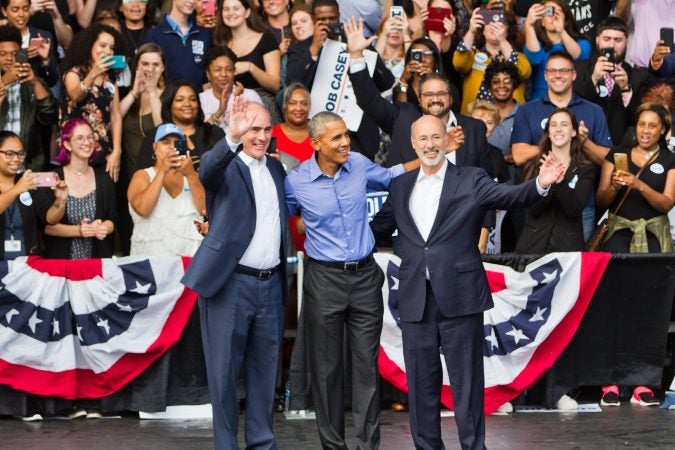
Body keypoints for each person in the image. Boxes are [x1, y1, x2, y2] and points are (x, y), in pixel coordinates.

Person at [370, 113, 564, 450]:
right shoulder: (400, 186)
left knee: (467, 382)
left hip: (460, 296)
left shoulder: (471, 177)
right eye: (423, 139)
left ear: (446, 140)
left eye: (436, 137)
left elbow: (509, 197)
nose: (430, 145)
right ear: (413, 145)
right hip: (417, 297)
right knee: (421, 384)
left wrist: (540, 184)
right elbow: (376, 230)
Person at [285, 111, 419, 449]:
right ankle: (333, 446)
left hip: (364, 277)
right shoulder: (296, 181)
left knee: (365, 370)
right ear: (315, 143)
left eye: (345, 134)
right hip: (323, 280)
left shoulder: (358, 163)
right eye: (336, 138)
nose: (345, 142)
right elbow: (271, 213)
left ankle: (367, 446)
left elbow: (390, 176)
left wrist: (432, 156)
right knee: (327, 371)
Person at [181, 98, 288, 450]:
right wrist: (231, 135)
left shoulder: (275, 169)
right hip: (230, 284)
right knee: (224, 374)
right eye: (253, 129)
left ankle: (262, 444)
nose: (260, 137)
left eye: (265, 130)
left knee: (264, 374)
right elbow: (206, 170)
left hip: (270, 286)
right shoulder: (225, 165)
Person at [595, 102, 674, 408]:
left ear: (663, 130)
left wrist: (639, 184)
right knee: (614, 309)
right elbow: (601, 200)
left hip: (653, 241)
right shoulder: (618, 155)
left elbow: (666, 204)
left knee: (647, 311)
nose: (645, 131)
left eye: (653, 126)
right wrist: (615, 187)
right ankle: (610, 381)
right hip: (618, 237)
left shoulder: (670, 160)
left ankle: (643, 382)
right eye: (642, 124)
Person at [348, 20, 492, 172]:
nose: (435, 99)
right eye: (428, 94)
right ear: (419, 98)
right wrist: (356, 56)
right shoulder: (402, 119)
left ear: (451, 98)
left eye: (441, 94)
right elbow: (368, 100)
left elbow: (485, 179)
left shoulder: (473, 128)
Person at [515, 107, 596, 253]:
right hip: (532, 246)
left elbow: (574, 210)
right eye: (553, 125)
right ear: (548, 133)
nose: (558, 129)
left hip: (568, 250)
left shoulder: (586, 169)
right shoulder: (534, 164)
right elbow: (532, 209)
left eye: (564, 124)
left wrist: (560, 181)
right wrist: (543, 184)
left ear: (574, 132)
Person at [40, 118, 116, 259]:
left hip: (96, 261)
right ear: (67, 144)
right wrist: (79, 231)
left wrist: (102, 228)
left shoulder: (104, 178)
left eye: (90, 137)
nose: (87, 143)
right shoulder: (54, 178)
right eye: (80, 138)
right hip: (61, 263)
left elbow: (111, 219)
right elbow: (46, 226)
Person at [574, 16, 656, 145]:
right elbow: (574, 105)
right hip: (585, 145)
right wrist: (594, 79)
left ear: (626, 42)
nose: (612, 45)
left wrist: (625, 89)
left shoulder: (640, 76)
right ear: (597, 40)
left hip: (624, 147)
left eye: (618, 40)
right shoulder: (579, 69)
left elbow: (642, 119)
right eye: (606, 39)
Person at [127, 123, 204, 256]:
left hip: (190, 263)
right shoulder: (142, 175)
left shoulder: (193, 176)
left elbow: (205, 210)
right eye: (166, 142)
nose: (172, 147)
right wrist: (162, 171)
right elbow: (143, 209)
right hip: (150, 265)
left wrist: (191, 175)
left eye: (177, 142)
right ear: (154, 148)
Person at [59, 23, 123, 181]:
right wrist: (93, 73)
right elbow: (75, 96)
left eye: (111, 48)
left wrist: (117, 151)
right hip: (76, 147)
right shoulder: (74, 72)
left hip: (102, 149)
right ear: (89, 46)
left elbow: (116, 116)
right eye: (103, 45)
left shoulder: (110, 79)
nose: (108, 51)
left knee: (103, 195)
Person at [0, 131, 67, 261]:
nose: (16, 159)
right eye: (9, 154)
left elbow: (50, 219)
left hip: (29, 266)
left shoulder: (28, 182)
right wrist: (17, 188)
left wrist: (61, 200)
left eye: (20, 154)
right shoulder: (23, 184)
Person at [453, 4, 530, 114]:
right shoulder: (472, 55)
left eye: (500, 21)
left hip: (510, 121)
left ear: (508, 29)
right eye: (489, 21)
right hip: (475, 119)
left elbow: (522, 71)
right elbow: (459, 64)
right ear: (482, 29)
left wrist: (502, 40)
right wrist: (471, 31)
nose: (494, 25)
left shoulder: (519, 56)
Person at [0, 25, 57, 171]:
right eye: (2, 54)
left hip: (29, 165)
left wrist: (35, 82)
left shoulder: (33, 82)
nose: (8, 58)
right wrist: (4, 82)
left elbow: (49, 117)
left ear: (21, 54)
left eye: (14, 54)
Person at [136, 81, 225, 171]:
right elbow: (144, 172)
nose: (187, 104)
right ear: (169, 104)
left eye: (193, 99)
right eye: (180, 100)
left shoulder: (214, 132)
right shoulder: (156, 135)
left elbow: (225, 162)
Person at [522, 0, 591, 100]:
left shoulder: (581, 42)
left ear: (566, 19)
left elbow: (579, 56)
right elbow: (535, 58)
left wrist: (561, 31)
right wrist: (529, 24)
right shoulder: (535, 43)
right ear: (542, 22)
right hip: (540, 101)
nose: (553, 16)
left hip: (571, 99)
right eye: (548, 11)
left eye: (558, 11)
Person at [212, 0, 281, 96]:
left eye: (236, 8)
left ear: (247, 12)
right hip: (229, 100)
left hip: (261, 102)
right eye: (226, 9)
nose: (230, 13)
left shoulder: (266, 39)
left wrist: (250, 67)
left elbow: (275, 86)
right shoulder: (219, 43)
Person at [120, 43, 166, 176]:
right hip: (130, 173)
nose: (150, 69)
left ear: (163, 67)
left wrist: (152, 92)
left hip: (156, 172)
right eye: (145, 64)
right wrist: (134, 93)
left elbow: (161, 128)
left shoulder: (169, 94)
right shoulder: (130, 92)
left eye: (156, 65)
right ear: (137, 66)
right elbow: (114, 119)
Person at [141, 0, 210, 88]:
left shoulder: (204, 34)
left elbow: (205, 80)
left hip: (196, 100)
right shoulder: (154, 36)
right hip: (164, 100)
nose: (192, 1)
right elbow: (148, 81)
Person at [199, 46, 263, 132]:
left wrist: (241, 104)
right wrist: (220, 110)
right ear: (208, 75)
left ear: (234, 72)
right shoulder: (201, 100)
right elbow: (201, 136)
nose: (224, 74)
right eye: (218, 70)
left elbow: (261, 127)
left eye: (228, 70)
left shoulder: (251, 96)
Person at [2, 0, 59, 87]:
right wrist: (20, 55)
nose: (21, 14)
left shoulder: (42, 37)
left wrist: (45, 60)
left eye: (25, 9)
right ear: (4, 11)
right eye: (15, 10)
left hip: (34, 96)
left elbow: (52, 81)